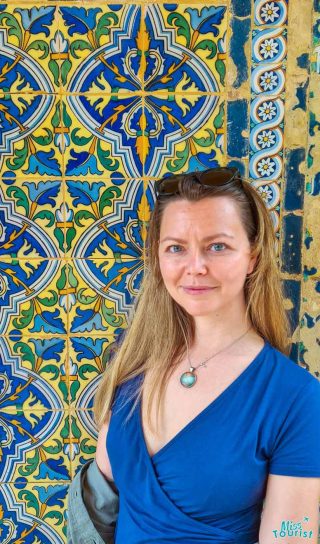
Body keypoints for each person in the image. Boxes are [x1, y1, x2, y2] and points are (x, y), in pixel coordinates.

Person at [67, 166, 320, 544]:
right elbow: (98, 503)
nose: (195, 267)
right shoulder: (134, 362)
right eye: (176, 248)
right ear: (158, 257)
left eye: (217, 246)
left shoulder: (295, 398)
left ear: (252, 256)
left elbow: (292, 536)